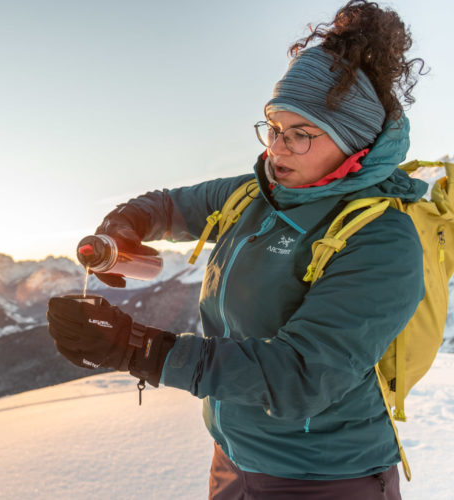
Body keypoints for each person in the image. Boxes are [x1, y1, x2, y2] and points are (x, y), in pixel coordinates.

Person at [46, 1, 430, 498]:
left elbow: (302, 377)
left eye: (301, 134)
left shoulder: (381, 238)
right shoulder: (256, 191)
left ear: (353, 145)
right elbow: (168, 206)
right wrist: (123, 225)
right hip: (233, 459)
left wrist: (140, 350)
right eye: (273, 128)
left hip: (325, 477)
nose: (277, 148)